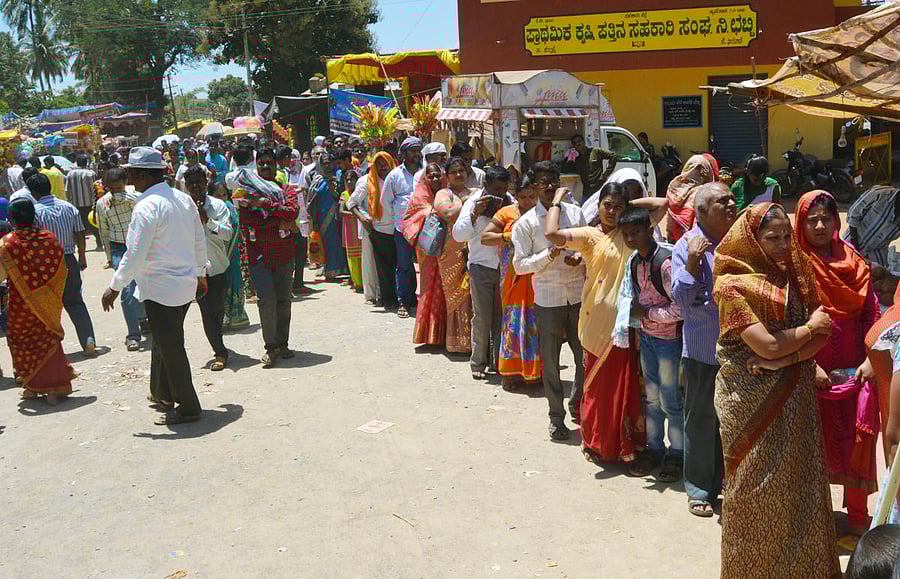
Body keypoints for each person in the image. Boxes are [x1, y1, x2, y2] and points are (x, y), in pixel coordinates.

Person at [713, 202, 839, 578]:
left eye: (787, 236)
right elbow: (765, 345)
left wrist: (786, 360)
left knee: (801, 484)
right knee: (753, 489)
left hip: (795, 393)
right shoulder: (731, 284)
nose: (784, 244)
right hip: (747, 399)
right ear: (751, 240)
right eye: (773, 238)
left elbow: (824, 331)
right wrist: (801, 336)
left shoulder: (795, 272)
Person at [545, 181, 665, 461]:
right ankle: (596, 443)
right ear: (597, 206)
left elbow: (663, 205)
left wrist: (630, 206)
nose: (611, 211)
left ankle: (624, 445)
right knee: (597, 387)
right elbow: (551, 233)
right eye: (607, 205)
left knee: (625, 386)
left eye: (617, 206)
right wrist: (557, 201)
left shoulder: (630, 233)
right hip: (595, 321)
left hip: (626, 323)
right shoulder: (589, 235)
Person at [101, 147, 208, 426]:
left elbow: (134, 253)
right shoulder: (183, 200)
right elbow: (199, 239)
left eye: (132, 173)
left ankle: (188, 406)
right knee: (165, 341)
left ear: (141, 174)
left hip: (160, 288)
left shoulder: (147, 206)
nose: (130, 178)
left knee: (171, 346)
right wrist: (200, 273)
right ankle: (162, 393)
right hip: (183, 285)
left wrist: (114, 285)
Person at [794, 190, 879, 535]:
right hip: (808, 372)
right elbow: (787, 319)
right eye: (811, 218)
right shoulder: (793, 265)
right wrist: (807, 364)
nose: (818, 224)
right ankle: (817, 521)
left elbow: (872, 315)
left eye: (825, 218)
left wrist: (873, 359)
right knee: (813, 446)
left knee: (857, 441)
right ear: (800, 221)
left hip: (856, 370)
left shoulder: (856, 263)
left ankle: (858, 518)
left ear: (836, 221)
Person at [670, 182, 735, 517]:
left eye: (731, 198)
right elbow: (680, 301)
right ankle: (699, 489)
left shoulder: (740, 242)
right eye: (720, 201)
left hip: (740, 351)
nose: (730, 204)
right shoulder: (686, 246)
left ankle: (727, 483)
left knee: (733, 420)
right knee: (700, 419)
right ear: (702, 211)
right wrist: (694, 262)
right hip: (703, 351)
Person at [511, 162, 586, 440]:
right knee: (552, 363)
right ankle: (556, 418)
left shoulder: (576, 214)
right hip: (548, 298)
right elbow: (519, 266)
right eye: (543, 182)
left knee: (583, 357)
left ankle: (578, 404)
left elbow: (589, 246)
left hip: (577, 295)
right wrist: (548, 257)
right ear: (534, 186)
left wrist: (581, 257)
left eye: (553, 180)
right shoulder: (527, 223)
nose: (550, 186)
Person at [617, 206, 683, 481]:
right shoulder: (634, 261)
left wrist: (647, 314)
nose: (631, 238)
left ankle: (677, 454)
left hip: (668, 340)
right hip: (647, 338)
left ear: (648, 230)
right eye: (626, 234)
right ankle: (655, 449)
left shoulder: (664, 263)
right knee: (652, 398)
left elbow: (680, 308)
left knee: (670, 399)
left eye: (636, 232)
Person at [0, 198, 74, 405]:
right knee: (47, 339)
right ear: (34, 216)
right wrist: (50, 297)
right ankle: (52, 388)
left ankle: (31, 387)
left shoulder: (7, 244)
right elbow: (61, 271)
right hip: (48, 303)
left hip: (20, 305)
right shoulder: (50, 239)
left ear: (12, 218)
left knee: (22, 342)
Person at [236, 147, 299, 367]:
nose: (264, 166)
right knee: (266, 300)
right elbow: (246, 219)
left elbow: (293, 213)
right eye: (261, 163)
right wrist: (277, 218)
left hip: (283, 252)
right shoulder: (246, 192)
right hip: (259, 255)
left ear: (275, 165)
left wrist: (265, 205)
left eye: (268, 163)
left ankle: (283, 344)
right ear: (256, 165)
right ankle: (270, 347)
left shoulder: (286, 189)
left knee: (283, 300)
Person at [453, 165, 513, 379]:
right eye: (497, 189)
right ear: (486, 185)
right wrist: (474, 214)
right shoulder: (473, 202)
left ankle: (499, 361)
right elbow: (459, 235)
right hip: (480, 265)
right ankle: (477, 363)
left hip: (504, 266)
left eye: (504, 189)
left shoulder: (509, 201)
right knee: (481, 317)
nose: (500, 193)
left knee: (501, 316)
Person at [483, 174, 542, 390]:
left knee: (535, 321)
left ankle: (534, 372)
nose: (527, 201)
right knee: (513, 321)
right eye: (523, 197)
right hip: (512, 276)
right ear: (516, 196)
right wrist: (509, 236)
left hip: (537, 275)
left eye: (532, 196)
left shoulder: (543, 214)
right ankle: (509, 373)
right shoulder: (506, 213)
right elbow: (485, 237)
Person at [31, 173, 97, 356]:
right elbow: (80, 234)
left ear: (33, 192)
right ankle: (88, 340)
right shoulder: (69, 207)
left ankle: (52, 349)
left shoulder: (35, 212)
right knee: (75, 301)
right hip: (69, 259)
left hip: (46, 263)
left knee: (48, 305)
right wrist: (82, 257)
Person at [184, 166, 234, 371]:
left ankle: (218, 341)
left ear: (206, 183)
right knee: (206, 311)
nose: (195, 186)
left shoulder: (219, 206)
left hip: (217, 266)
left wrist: (208, 221)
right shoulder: (181, 207)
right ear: (186, 186)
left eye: (199, 182)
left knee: (217, 309)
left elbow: (228, 234)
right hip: (195, 270)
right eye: (191, 183)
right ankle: (220, 351)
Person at [95, 167, 144, 350]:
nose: (115, 193)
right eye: (112, 189)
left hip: (138, 244)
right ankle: (133, 334)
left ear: (125, 183)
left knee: (143, 283)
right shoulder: (103, 204)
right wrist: (109, 256)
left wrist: (127, 198)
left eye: (119, 188)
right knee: (126, 288)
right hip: (118, 247)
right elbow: (104, 230)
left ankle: (142, 317)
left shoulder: (136, 196)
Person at [432, 158, 475, 354]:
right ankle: (457, 342)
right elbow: (447, 213)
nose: (459, 175)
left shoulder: (474, 192)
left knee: (474, 294)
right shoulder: (444, 193)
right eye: (454, 172)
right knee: (456, 296)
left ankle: (475, 342)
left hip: (473, 249)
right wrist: (466, 202)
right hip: (450, 253)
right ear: (447, 176)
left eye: (462, 171)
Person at [403, 163, 448, 346]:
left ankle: (447, 333)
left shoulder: (449, 194)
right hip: (428, 252)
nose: (435, 179)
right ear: (425, 178)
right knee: (430, 288)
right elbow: (407, 221)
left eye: (438, 175)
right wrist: (430, 213)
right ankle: (429, 335)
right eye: (431, 176)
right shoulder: (419, 199)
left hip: (448, 250)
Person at [382, 137, 423, 318]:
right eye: (412, 150)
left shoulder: (426, 172)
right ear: (404, 153)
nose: (415, 153)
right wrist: (400, 218)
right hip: (402, 228)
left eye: (417, 150)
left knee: (426, 266)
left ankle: (424, 303)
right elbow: (386, 202)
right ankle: (404, 303)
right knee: (404, 266)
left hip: (425, 228)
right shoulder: (395, 175)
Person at [347, 153, 392, 306]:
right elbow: (352, 203)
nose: (383, 167)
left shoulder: (393, 179)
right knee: (370, 264)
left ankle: (387, 294)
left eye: (385, 163)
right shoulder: (366, 181)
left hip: (391, 228)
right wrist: (364, 218)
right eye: (379, 164)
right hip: (370, 228)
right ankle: (371, 295)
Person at [307, 151, 349, 281]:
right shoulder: (317, 180)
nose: (327, 166)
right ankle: (329, 269)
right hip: (322, 217)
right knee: (326, 243)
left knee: (338, 242)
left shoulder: (339, 177)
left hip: (337, 216)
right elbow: (311, 202)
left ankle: (341, 268)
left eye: (329, 163)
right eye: (324, 164)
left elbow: (340, 197)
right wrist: (314, 221)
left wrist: (333, 188)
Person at [845, 185, 900, 268]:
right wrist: (854, 246)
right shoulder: (879, 193)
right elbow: (853, 213)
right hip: (853, 241)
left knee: (878, 277)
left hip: (877, 251)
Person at [665, 154, 715, 242]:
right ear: (707, 171)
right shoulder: (705, 192)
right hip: (696, 242)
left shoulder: (674, 186)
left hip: (674, 239)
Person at [562, 134, 617, 198]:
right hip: (587, 192)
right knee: (584, 207)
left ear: (583, 142)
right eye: (575, 143)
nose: (577, 144)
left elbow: (613, 156)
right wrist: (569, 157)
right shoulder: (577, 160)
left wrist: (605, 175)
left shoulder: (595, 151)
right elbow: (565, 170)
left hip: (598, 189)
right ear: (574, 146)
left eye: (579, 141)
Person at [65, 154, 100, 252]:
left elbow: (67, 190)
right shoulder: (90, 174)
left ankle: (79, 246)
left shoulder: (70, 174)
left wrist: (70, 201)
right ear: (86, 162)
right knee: (93, 223)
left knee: (78, 226)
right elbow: (95, 189)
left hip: (76, 204)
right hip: (89, 203)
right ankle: (99, 243)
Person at [339, 168, 363, 292]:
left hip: (360, 228)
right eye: (347, 180)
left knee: (363, 256)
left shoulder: (360, 193)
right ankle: (357, 283)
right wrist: (354, 214)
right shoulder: (344, 195)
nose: (349, 182)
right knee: (353, 258)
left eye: (352, 179)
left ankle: (364, 282)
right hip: (349, 229)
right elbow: (341, 211)